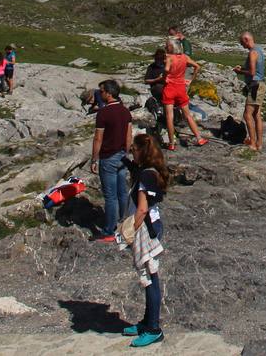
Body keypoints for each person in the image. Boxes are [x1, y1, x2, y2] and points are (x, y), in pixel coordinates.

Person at [119, 133, 169, 348]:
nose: (133, 154)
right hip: (152, 225)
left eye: (134, 150)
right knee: (149, 276)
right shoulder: (150, 172)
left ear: (141, 151)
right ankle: (147, 322)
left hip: (146, 228)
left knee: (150, 277)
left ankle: (154, 329)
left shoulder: (146, 176)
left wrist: (128, 232)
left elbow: (141, 208)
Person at [89, 80, 132, 244]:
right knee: (122, 191)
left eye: (102, 92)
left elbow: (98, 138)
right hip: (122, 155)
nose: (100, 94)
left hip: (108, 157)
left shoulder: (103, 113)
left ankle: (109, 230)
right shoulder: (125, 111)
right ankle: (124, 221)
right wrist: (126, 152)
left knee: (110, 196)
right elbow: (129, 135)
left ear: (109, 93)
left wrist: (94, 158)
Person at [161, 38, 208, 151]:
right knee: (187, 114)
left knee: (169, 116)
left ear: (171, 47)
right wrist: (191, 79)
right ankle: (199, 138)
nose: (165, 47)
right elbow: (197, 66)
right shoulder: (184, 57)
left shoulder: (169, 58)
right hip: (181, 87)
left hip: (170, 88)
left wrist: (164, 77)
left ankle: (172, 143)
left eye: (167, 46)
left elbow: (167, 69)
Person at [234, 32, 266, 152]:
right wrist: (243, 68)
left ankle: (252, 144)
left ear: (247, 40)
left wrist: (240, 72)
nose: (242, 46)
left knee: (247, 115)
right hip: (261, 84)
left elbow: (252, 72)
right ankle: (259, 143)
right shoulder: (259, 50)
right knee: (256, 115)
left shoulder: (252, 52)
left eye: (242, 43)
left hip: (255, 86)